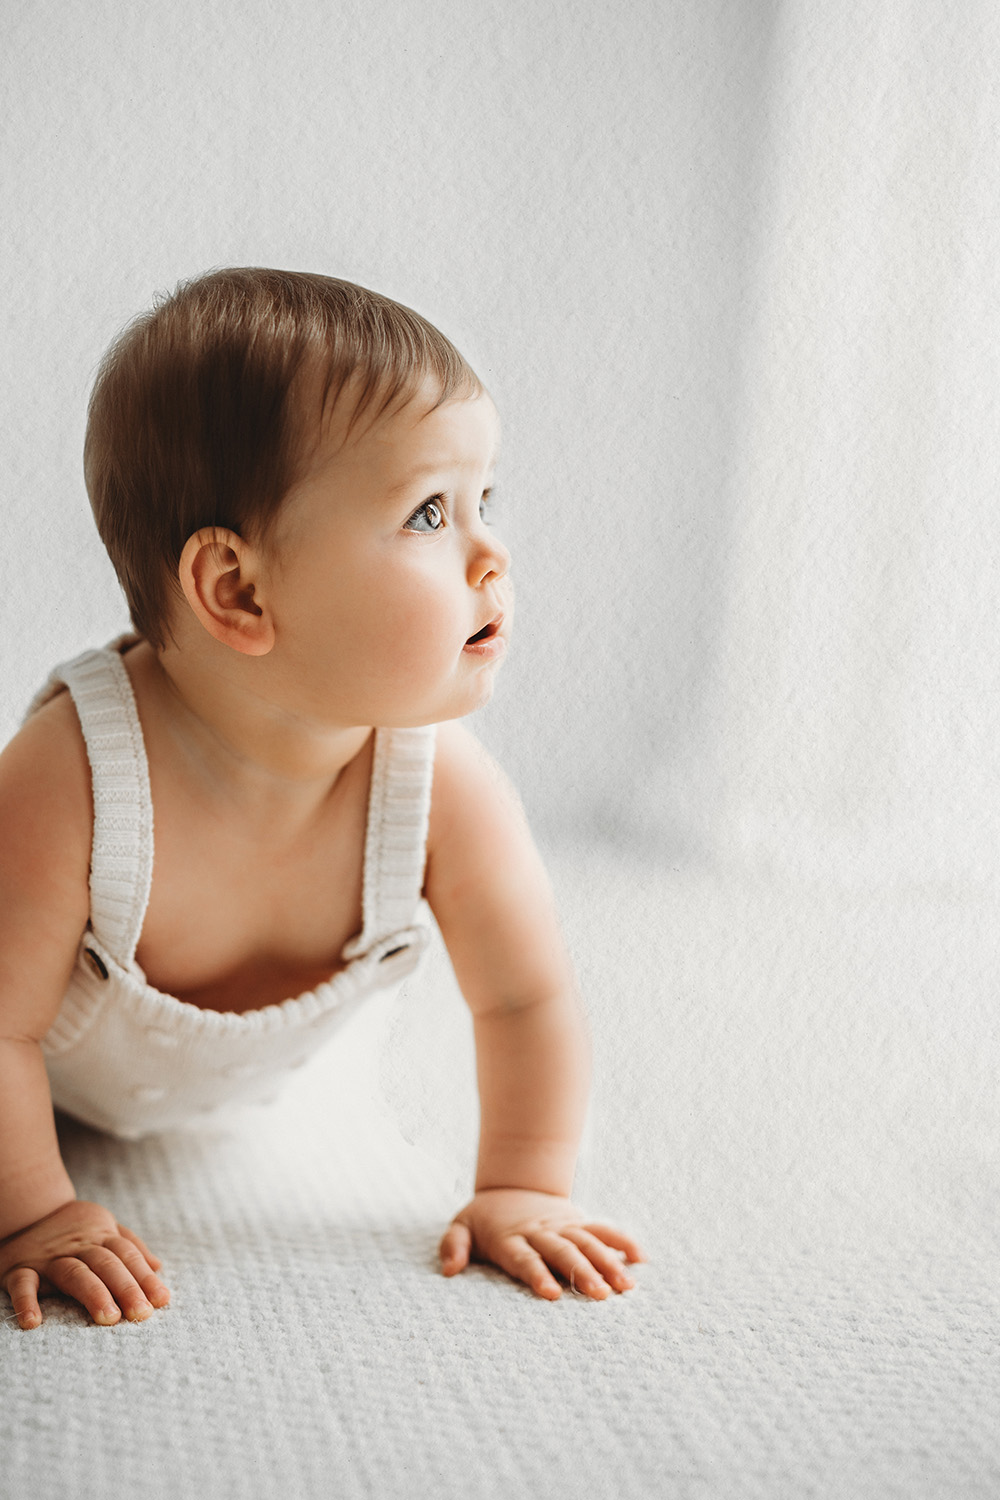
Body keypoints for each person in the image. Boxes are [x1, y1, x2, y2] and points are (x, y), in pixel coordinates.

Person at [0, 268, 646, 1331]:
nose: (493, 554)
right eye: (429, 512)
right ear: (239, 592)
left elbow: (525, 999)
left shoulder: (442, 787)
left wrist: (522, 1182)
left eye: (487, 500)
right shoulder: (72, 779)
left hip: (240, 1088)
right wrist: (34, 1211)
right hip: (58, 1088)